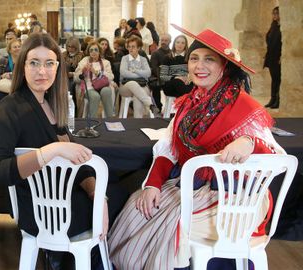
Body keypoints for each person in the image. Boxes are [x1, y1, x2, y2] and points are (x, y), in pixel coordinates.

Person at [108, 25, 285, 270]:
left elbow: (278, 157)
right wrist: (153, 185)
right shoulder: (188, 103)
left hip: (236, 199)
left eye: (209, 60)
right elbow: (169, 148)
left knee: (171, 222)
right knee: (137, 206)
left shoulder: (243, 106)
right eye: (194, 59)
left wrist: (249, 143)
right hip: (193, 187)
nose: (199, 66)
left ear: (224, 66)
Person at [0, 32, 127, 269]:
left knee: (118, 191)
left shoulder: (53, 103)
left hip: (62, 200)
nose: (42, 71)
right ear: (22, 66)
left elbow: (76, 164)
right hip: (42, 210)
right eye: (34, 63)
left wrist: (98, 196)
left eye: (49, 63)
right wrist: (50, 152)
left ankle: (69, 258)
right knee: (124, 196)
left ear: (58, 67)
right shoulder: (11, 106)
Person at [74, 41, 115, 118]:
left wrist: (96, 72)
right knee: (95, 96)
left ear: (99, 51)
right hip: (89, 87)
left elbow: (111, 77)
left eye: (96, 50)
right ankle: (92, 122)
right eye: (91, 50)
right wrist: (82, 71)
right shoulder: (84, 61)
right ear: (88, 52)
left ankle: (110, 119)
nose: (93, 52)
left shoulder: (105, 62)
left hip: (102, 85)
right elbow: (76, 79)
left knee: (107, 91)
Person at [118, 36, 155, 118]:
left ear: (138, 48)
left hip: (142, 86)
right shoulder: (125, 58)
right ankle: (149, 104)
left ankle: (138, 121)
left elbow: (148, 73)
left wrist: (135, 70)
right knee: (132, 83)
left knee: (137, 96)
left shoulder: (143, 60)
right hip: (125, 87)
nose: (130, 49)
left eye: (133, 47)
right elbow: (124, 73)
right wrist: (141, 74)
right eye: (129, 46)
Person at [263, 6, 282, 109]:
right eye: (273, 13)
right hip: (271, 56)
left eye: (277, 13)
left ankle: (278, 101)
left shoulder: (282, 27)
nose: (275, 15)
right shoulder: (273, 26)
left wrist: (281, 56)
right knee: (274, 79)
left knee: (278, 79)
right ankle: (272, 99)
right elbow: (269, 39)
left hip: (277, 57)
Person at [150, 33, 172, 111]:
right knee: (156, 87)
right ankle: (158, 107)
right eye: (162, 40)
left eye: (166, 40)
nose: (163, 42)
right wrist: (163, 77)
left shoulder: (172, 53)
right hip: (158, 77)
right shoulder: (155, 53)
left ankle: (174, 108)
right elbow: (154, 68)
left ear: (170, 41)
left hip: (170, 77)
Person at [62, 37, 85, 112]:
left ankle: (72, 110)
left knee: (70, 85)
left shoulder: (81, 56)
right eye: (69, 46)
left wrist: (72, 74)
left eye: (73, 47)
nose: (70, 49)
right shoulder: (63, 55)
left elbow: (83, 71)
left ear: (77, 47)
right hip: (63, 76)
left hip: (76, 77)